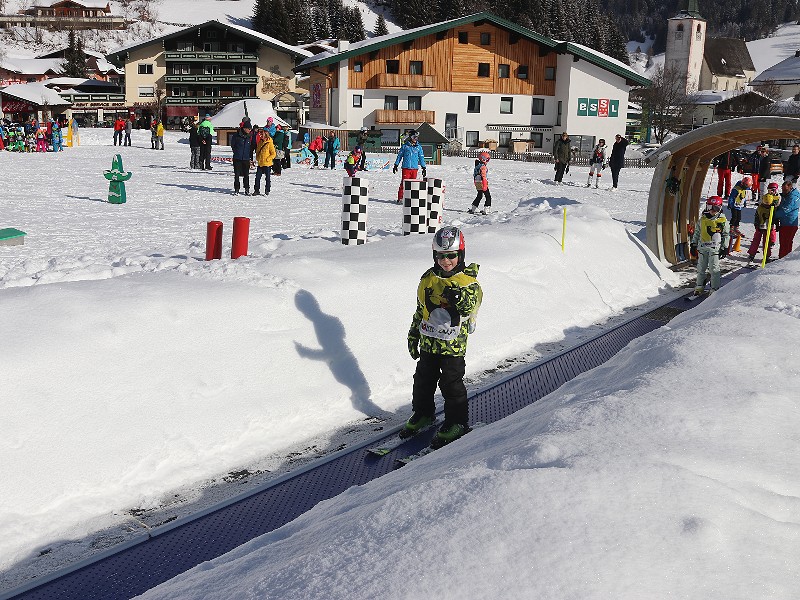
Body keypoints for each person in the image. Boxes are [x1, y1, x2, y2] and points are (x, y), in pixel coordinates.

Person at [402, 226, 483, 449]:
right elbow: (421, 309)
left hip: (452, 346)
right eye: (440, 256)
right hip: (429, 340)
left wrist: (457, 297)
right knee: (423, 380)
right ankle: (423, 413)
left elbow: (469, 306)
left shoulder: (467, 282)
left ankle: (457, 421)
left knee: (451, 383)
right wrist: (413, 333)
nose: (446, 261)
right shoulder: (428, 278)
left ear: (461, 255)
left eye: (451, 256)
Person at [688, 196, 730, 299]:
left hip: (714, 249)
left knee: (714, 268)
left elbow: (726, 234)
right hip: (703, 248)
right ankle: (699, 287)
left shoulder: (722, 220)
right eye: (710, 207)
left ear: (720, 208)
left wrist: (725, 247)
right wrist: (693, 244)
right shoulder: (702, 219)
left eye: (716, 208)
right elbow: (697, 232)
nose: (712, 211)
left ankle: (714, 288)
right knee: (701, 268)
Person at [746, 181, 781, 267]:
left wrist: (775, 222)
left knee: (767, 241)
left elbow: (777, 212)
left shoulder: (776, 200)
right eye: (769, 190)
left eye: (772, 190)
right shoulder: (761, 206)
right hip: (761, 225)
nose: (771, 192)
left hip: (769, 225)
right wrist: (757, 224)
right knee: (756, 239)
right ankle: (752, 254)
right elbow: (757, 215)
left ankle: (767, 255)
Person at [393, 130, 427, 203]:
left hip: (414, 169)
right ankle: (400, 198)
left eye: (417, 137)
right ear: (411, 137)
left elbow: (421, 158)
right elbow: (399, 156)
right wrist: (396, 165)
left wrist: (423, 167)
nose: (415, 139)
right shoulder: (405, 146)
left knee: (413, 184)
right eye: (414, 137)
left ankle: (410, 199)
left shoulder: (418, 147)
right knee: (404, 183)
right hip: (406, 168)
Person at [775, 179, 800, 258]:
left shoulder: (793, 197)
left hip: (790, 224)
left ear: (790, 187)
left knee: (786, 243)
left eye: (785, 189)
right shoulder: (787, 195)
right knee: (783, 243)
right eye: (782, 189)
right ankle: (782, 257)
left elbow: (785, 210)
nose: (783, 191)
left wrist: (773, 215)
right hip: (784, 222)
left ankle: (783, 258)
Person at [230, 118, 253, 195]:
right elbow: (233, 145)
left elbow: (251, 148)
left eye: (250, 129)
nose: (250, 130)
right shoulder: (236, 136)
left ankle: (247, 189)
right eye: (248, 129)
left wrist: (250, 157)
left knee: (246, 175)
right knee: (237, 174)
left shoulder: (250, 136)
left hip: (246, 158)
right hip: (237, 157)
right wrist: (236, 152)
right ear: (244, 128)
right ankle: (236, 189)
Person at [254, 126, 276, 196]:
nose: (261, 134)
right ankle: (256, 190)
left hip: (267, 164)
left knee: (267, 178)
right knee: (257, 178)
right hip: (260, 163)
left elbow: (273, 153)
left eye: (262, 133)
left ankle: (267, 190)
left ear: (266, 134)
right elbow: (257, 151)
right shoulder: (260, 142)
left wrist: (268, 159)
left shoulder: (270, 142)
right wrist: (257, 158)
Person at [468, 149, 492, 214]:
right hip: (482, 182)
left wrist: (475, 183)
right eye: (487, 159)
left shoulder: (477, 166)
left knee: (479, 195)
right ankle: (487, 208)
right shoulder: (483, 167)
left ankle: (474, 207)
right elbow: (483, 176)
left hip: (477, 182)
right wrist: (485, 185)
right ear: (483, 159)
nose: (488, 161)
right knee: (488, 196)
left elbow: (475, 175)